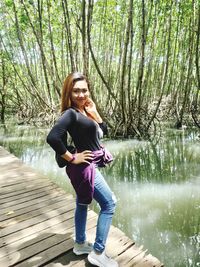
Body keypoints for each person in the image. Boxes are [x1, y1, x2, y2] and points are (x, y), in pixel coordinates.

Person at [46, 72, 118, 267]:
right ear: (69, 92)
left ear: (89, 90)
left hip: (88, 165)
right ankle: (98, 252)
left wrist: (95, 114)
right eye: (76, 91)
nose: (81, 94)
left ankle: (79, 243)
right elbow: (52, 137)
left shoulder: (85, 111)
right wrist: (72, 157)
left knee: (82, 203)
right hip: (84, 167)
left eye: (84, 90)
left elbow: (104, 133)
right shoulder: (70, 113)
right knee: (110, 204)